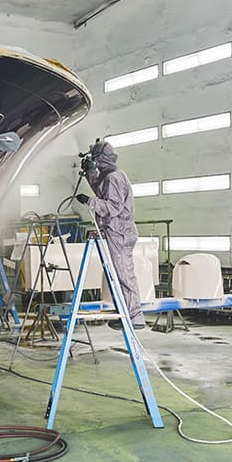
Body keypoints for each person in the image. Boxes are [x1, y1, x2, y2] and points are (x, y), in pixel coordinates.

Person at [75, 140, 146, 330]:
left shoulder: (114, 177)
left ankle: (135, 317)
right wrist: (90, 173)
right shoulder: (111, 176)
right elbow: (101, 190)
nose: (96, 163)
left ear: (102, 159)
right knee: (118, 275)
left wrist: (89, 201)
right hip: (117, 232)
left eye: (96, 160)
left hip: (120, 233)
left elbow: (112, 207)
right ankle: (125, 314)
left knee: (124, 275)